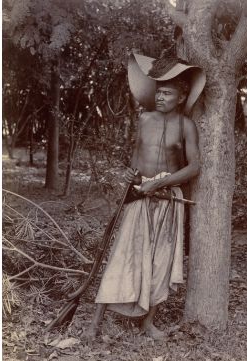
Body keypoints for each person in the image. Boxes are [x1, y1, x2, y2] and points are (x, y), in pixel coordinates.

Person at [85, 53, 206, 340]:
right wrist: (133, 177)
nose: (161, 97)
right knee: (122, 254)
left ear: (181, 97)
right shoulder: (144, 119)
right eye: (159, 91)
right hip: (139, 196)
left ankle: (148, 324)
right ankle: (95, 323)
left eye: (167, 93)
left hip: (168, 200)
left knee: (161, 262)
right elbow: (136, 158)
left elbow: (195, 166)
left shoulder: (186, 126)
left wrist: (163, 182)